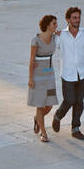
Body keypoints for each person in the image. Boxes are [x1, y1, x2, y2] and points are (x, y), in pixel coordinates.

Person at [52, 6, 84, 140]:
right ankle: (58, 116)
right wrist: (52, 33)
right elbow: (52, 47)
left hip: (82, 74)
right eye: (74, 18)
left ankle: (75, 129)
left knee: (79, 102)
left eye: (78, 17)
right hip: (68, 74)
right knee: (69, 100)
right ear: (68, 20)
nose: (77, 20)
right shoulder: (61, 35)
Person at [28, 14, 59, 142]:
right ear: (47, 25)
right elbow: (31, 59)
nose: (56, 26)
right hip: (38, 77)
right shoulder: (35, 40)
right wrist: (30, 79)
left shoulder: (55, 37)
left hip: (50, 76)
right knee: (40, 105)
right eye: (54, 24)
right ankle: (44, 133)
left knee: (50, 104)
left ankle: (37, 118)